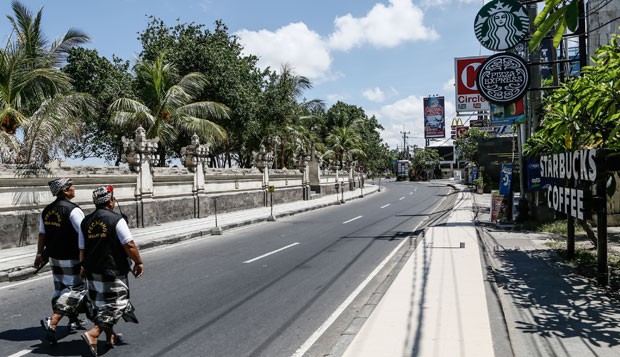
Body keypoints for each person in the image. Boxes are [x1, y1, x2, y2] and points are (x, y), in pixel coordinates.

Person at [79, 185, 144, 357]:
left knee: (101, 305)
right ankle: (93, 334)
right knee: (118, 304)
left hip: (92, 270)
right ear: (110, 201)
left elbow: (82, 248)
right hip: (112, 270)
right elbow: (129, 245)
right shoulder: (116, 220)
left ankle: (110, 337)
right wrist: (138, 262)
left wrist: (83, 266)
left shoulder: (85, 221)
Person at [35, 177, 88, 344]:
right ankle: (53, 321)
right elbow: (84, 235)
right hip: (72, 257)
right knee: (76, 290)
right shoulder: (73, 210)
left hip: (54, 257)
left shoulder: (47, 210)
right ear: (64, 191)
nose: (74, 188)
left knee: (61, 290)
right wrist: (85, 259)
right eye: (71, 186)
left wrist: (39, 254)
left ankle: (73, 320)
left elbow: (42, 234)